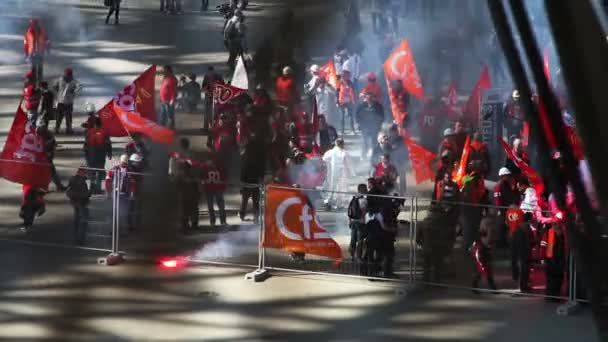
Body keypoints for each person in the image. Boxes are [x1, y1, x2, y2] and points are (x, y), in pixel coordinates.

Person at [460, 161, 488, 251]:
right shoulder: (470, 180)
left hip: (474, 209)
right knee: (469, 230)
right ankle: (466, 249)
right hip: (470, 210)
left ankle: (472, 248)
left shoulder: (477, 179)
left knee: (473, 229)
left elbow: (481, 194)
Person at [322, 138, 354, 209]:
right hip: (341, 173)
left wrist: (329, 164)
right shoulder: (344, 153)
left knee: (332, 187)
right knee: (340, 188)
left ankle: (329, 201)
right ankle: (337, 204)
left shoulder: (330, 152)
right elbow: (349, 164)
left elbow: (324, 159)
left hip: (332, 173)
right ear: (342, 144)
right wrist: (352, 173)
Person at [83, 117, 112, 194]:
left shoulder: (89, 132)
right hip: (101, 153)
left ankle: (92, 188)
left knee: (92, 171)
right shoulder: (104, 132)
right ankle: (98, 187)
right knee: (99, 170)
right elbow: (108, 143)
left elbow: (86, 144)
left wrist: (86, 154)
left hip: (91, 153)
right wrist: (109, 153)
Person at [494, 167, 519, 246]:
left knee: (506, 225)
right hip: (502, 209)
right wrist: (499, 210)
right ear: (502, 176)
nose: (509, 177)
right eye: (507, 175)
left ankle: (505, 241)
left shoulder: (506, 185)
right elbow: (498, 199)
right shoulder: (499, 185)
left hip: (507, 208)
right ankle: (500, 242)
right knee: (501, 226)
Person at [66, 166, 91, 245]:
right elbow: (87, 194)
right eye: (86, 172)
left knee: (76, 219)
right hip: (82, 202)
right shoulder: (85, 181)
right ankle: (81, 239)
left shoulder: (72, 179)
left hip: (74, 202)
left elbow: (68, 190)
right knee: (84, 221)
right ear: (83, 172)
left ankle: (76, 237)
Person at [540, 223, 566, 300]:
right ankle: (550, 296)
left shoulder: (564, 233)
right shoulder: (548, 233)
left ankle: (555, 295)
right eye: (554, 224)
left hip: (560, 259)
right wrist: (542, 259)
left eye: (557, 223)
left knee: (559, 278)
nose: (556, 225)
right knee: (550, 279)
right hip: (550, 260)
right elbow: (543, 246)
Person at [470, 223, 498, 294]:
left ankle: (492, 288)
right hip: (481, 257)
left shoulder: (483, 239)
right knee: (480, 273)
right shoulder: (480, 240)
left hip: (483, 256)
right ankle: (474, 287)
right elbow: (477, 251)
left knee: (487, 273)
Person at [53, 68, 82, 134]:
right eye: (67, 74)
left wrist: (73, 91)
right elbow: (54, 87)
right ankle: (61, 129)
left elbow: (79, 87)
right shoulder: (63, 80)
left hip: (66, 101)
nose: (68, 76)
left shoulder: (72, 81)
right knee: (62, 116)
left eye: (68, 74)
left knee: (65, 116)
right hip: (64, 102)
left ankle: (65, 129)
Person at [356, 92, 384, 159]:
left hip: (374, 127)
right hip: (364, 126)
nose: (369, 99)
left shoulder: (378, 106)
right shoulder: (361, 106)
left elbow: (382, 116)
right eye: (368, 98)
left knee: (374, 141)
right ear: (365, 98)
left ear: (373, 98)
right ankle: (363, 155)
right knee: (364, 141)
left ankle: (375, 155)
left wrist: (379, 124)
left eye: (371, 98)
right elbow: (357, 116)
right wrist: (359, 124)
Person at [37, 124, 65, 191]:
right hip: (41, 158)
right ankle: (43, 188)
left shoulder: (49, 136)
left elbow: (54, 144)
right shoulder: (38, 138)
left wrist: (53, 148)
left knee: (51, 172)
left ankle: (57, 186)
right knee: (46, 173)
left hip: (47, 158)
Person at [201, 158, 227, 227]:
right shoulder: (219, 167)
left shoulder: (205, 168)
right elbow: (223, 178)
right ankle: (222, 221)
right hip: (216, 189)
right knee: (219, 205)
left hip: (210, 189)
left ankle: (213, 221)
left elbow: (203, 179)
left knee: (211, 206)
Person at [512, 212, 533, 293]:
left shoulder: (518, 227)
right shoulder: (527, 227)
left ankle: (522, 285)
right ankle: (523, 286)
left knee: (522, 269)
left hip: (518, 251)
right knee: (525, 269)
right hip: (525, 251)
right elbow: (530, 240)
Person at [178, 162, 200, 233]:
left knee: (185, 212)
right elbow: (197, 186)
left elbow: (177, 186)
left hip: (185, 196)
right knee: (193, 211)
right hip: (192, 196)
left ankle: (186, 226)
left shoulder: (180, 176)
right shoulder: (193, 175)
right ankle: (193, 225)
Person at [348, 183, 368, 261]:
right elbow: (364, 212)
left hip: (353, 222)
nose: (367, 190)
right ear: (362, 190)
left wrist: (349, 221)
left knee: (353, 239)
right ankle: (359, 257)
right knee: (360, 240)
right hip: (360, 222)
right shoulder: (363, 200)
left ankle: (352, 256)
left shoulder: (353, 199)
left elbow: (349, 211)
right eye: (365, 189)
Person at [337, 70, 356, 134]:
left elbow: (353, 91)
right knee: (341, 116)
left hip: (349, 100)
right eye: (346, 75)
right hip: (341, 101)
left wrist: (353, 100)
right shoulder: (339, 82)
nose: (348, 77)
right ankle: (342, 130)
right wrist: (337, 101)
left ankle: (352, 130)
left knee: (351, 115)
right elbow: (336, 92)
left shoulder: (350, 83)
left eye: (348, 75)